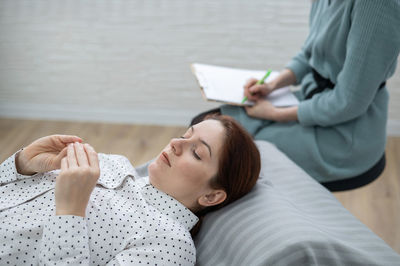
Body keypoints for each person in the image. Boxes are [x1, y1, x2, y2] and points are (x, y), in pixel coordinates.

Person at [193, 0, 400, 189]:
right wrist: (273, 85)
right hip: (313, 101)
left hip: (347, 132)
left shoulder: (377, 5)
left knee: (229, 153)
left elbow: (348, 103)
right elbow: (311, 53)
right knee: (204, 125)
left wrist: (273, 113)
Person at [0, 115, 261, 265]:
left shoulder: (169, 245)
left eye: (196, 152)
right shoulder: (114, 163)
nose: (175, 143)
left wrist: (70, 211)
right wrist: (23, 165)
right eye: (184, 135)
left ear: (212, 195)